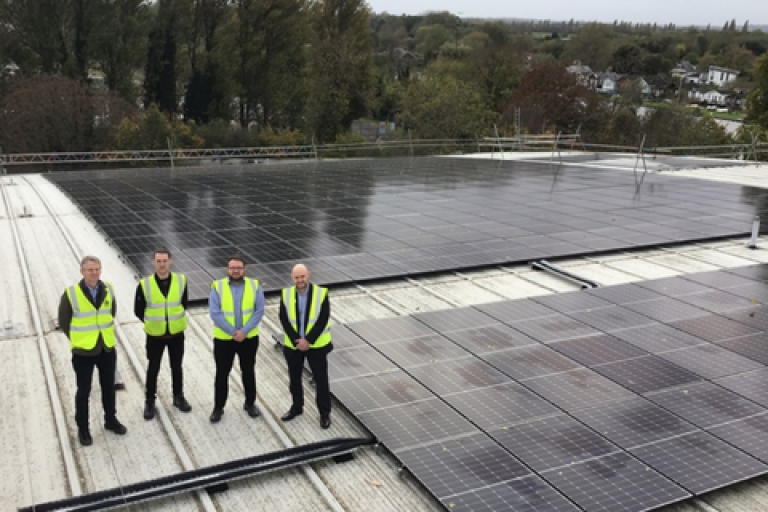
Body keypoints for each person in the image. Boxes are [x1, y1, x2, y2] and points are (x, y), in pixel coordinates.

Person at [58, 256, 127, 446]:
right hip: (83, 352)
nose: (94, 273)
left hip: (106, 348)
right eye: (90, 270)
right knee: (84, 391)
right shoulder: (71, 293)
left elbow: (111, 312)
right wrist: (78, 339)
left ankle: (110, 420)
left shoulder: (108, 289)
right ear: (82, 272)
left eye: (97, 269)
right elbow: (64, 321)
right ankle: (83, 429)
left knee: (108, 387)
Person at [134, 247, 191, 420]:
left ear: (170, 261)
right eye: (158, 261)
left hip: (176, 335)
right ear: (153, 262)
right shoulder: (145, 284)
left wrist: (171, 322)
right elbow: (138, 310)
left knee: (177, 367)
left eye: (164, 260)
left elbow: (184, 303)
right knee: (153, 368)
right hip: (155, 336)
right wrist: (155, 324)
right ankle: (150, 401)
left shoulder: (181, 281)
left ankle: (178, 397)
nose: (162, 264)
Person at [208, 255, 265, 423]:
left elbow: (259, 311)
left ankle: (250, 403)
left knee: (248, 371)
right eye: (232, 268)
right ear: (227, 270)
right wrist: (234, 332)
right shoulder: (217, 287)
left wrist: (244, 332)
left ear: (244, 269)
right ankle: (218, 408)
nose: (235, 271)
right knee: (222, 374)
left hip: (248, 339)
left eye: (239, 268)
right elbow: (215, 313)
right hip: (224, 340)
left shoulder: (255, 286)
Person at [279, 264, 334, 429]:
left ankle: (325, 414)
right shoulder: (286, 294)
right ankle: (297, 408)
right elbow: (284, 318)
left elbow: (323, 318)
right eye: (296, 277)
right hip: (294, 346)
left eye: (302, 276)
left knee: (321, 380)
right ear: (292, 278)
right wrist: (297, 339)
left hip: (316, 345)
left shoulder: (321, 293)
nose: (300, 280)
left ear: (308, 275)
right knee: (294, 379)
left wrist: (308, 340)